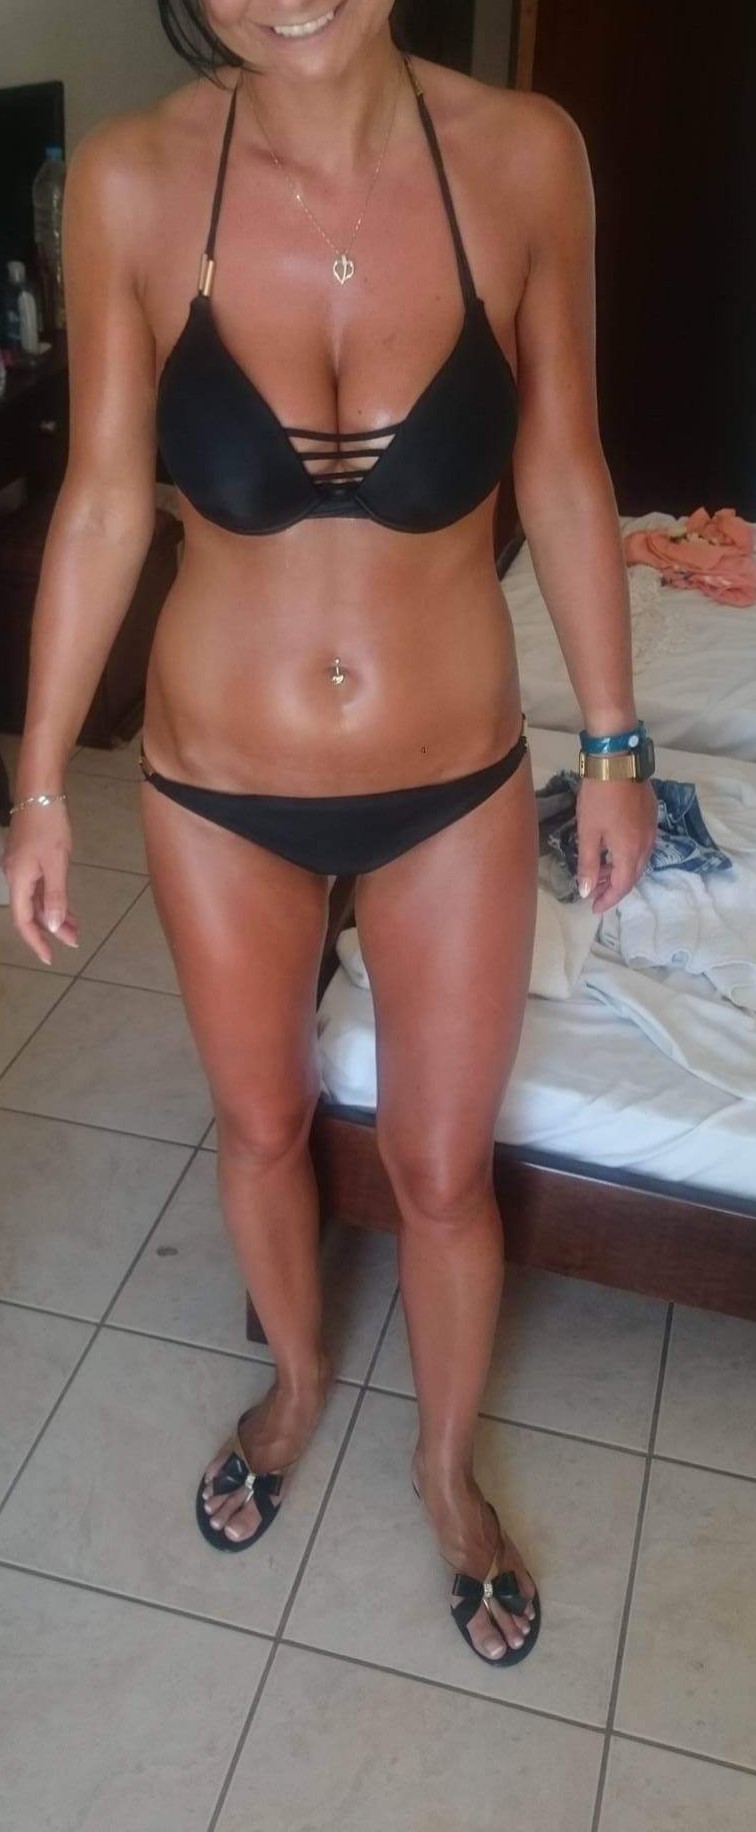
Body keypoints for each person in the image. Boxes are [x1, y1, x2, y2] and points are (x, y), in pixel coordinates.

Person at [5, 0, 658, 1668]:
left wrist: (614, 740)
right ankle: (295, 1386)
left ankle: (446, 1472)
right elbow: (103, 497)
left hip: (455, 781)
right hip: (215, 783)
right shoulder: (135, 180)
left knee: (441, 1172)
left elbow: (566, 469)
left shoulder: (526, 157)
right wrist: (36, 784)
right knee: (262, 1124)